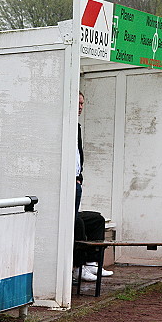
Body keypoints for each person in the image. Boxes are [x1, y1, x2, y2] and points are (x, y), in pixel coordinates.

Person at [73, 91, 113, 282]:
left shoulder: (77, 127)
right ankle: (77, 267)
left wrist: (79, 177)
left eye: (82, 103)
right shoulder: (63, 125)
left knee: (97, 219)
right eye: (78, 103)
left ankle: (92, 264)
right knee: (76, 222)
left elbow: (78, 156)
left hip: (76, 182)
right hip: (68, 186)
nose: (81, 106)